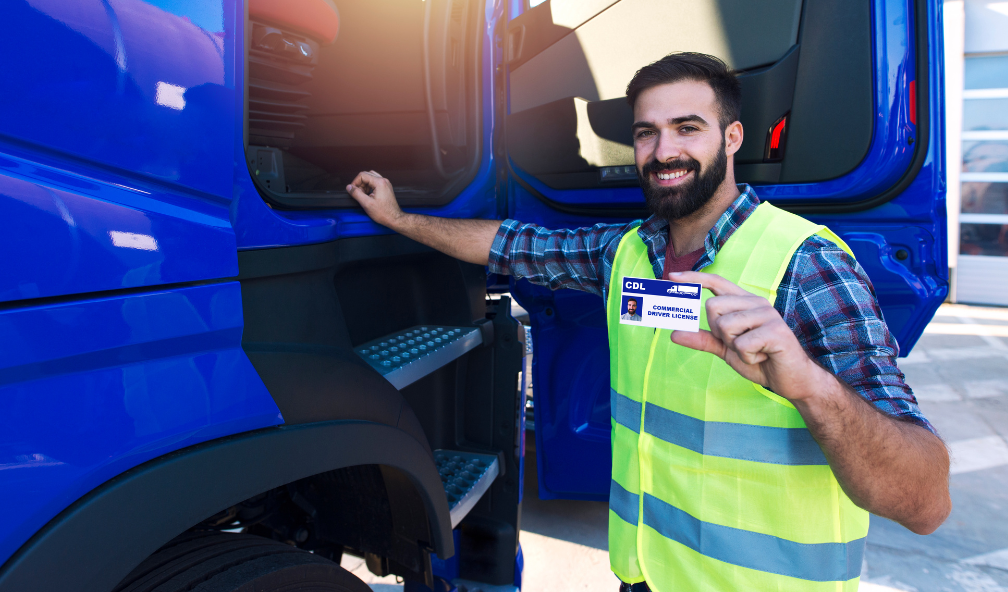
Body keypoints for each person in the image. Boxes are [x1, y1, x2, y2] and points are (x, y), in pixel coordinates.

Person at [347, 52, 951, 592]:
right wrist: (402, 220)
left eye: (687, 128)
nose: (664, 152)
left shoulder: (806, 265)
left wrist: (811, 387)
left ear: (733, 136)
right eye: (647, 133)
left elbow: (924, 502)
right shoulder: (628, 253)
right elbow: (511, 244)